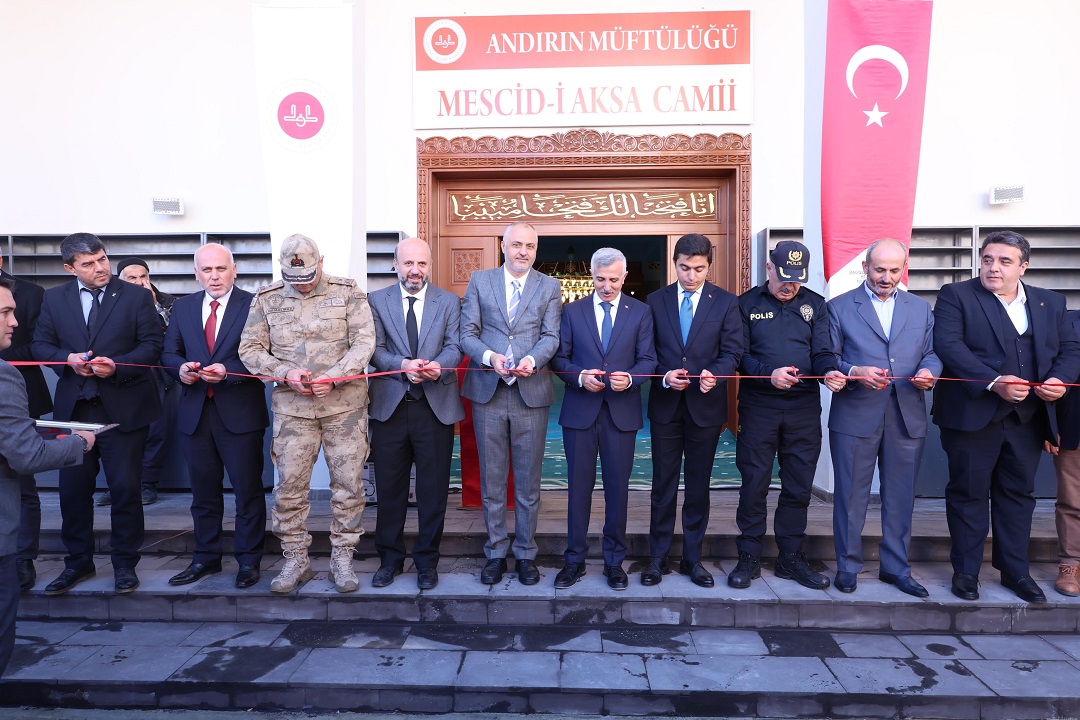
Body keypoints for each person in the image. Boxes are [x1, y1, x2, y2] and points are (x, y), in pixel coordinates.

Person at [933, 230, 1080, 603]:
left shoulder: (1051, 302)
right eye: (987, 259)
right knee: (967, 494)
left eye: (1003, 261)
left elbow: (1070, 348)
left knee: (1019, 495)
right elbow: (949, 346)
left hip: (1027, 419)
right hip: (971, 416)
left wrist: (1060, 380)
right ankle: (966, 572)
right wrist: (994, 382)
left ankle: (1015, 571)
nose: (992, 267)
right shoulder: (957, 295)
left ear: (1023, 267)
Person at [239, 234, 375, 594]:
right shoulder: (267, 298)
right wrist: (285, 373)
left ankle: (343, 556)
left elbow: (365, 341)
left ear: (321, 262)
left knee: (348, 486)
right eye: (293, 280)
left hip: (344, 408)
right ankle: (295, 558)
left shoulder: (347, 292)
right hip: (293, 411)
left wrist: (336, 376)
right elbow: (250, 348)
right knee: (289, 488)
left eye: (308, 277)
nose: (301, 285)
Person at [33, 232, 163, 596]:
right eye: (88, 264)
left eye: (102, 259)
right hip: (74, 412)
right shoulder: (54, 298)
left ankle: (125, 565)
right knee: (73, 493)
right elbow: (41, 345)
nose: (100, 268)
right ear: (69, 268)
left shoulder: (135, 296)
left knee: (124, 490)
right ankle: (77, 563)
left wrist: (118, 367)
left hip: (124, 410)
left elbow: (152, 347)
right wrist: (67, 360)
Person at [824, 238, 940, 598]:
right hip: (856, 413)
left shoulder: (921, 309)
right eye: (880, 269)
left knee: (900, 496)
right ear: (865, 267)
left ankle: (896, 568)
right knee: (850, 496)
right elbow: (827, 356)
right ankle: (847, 565)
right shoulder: (840, 307)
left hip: (907, 413)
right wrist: (853, 369)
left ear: (902, 270)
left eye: (894, 270)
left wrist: (928, 371)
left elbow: (933, 353)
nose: (887, 277)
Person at [731, 241, 842, 591]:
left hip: (803, 410)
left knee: (797, 487)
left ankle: (790, 557)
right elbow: (738, 357)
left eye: (796, 279)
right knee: (754, 484)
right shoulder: (746, 304)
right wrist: (769, 374)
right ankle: (748, 555)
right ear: (768, 268)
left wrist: (829, 372)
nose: (788, 285)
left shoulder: (815, 305)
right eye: (783, 276)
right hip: (758, 408)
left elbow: (823, 351)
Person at [0, 277, 95, 676]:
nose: (14, 322)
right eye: (4, 312)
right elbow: (26, 454)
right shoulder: (3, 375)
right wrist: (78, 443)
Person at [161, 243, 269, 589]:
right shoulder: (184, 307)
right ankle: (205, 559)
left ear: (234, 270)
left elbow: (267, 354)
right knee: (203, 494)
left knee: (247, 492)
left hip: (239, 412)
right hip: (196, 412)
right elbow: (168, 352)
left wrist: (230, 371)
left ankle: (249, 562)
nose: (214, 276)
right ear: (196, 273)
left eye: (221, 269)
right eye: (207, 270)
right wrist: (181, 369)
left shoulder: (254, 304)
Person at [460, 221, 561, 586]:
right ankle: (495, 552)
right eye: (516, 244)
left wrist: (531, 360)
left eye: (530, 246)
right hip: (488, 390)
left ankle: (525, 554)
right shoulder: (479, 280)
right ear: (503, 246)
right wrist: (489, 356)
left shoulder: (549, 286)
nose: (523, 251)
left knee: (528, 482)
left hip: (529, 394)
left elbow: (551, 335)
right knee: (491, 480)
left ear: (536, 250)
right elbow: (466, 333)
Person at [550, 248, 656, 591]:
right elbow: (559, 359)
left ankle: (614, 562)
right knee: (577, 491)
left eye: (613, 279)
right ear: (591, 276)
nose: (607, 286)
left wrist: (633, 378)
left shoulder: (640, 312)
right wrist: (579, 376)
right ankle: (574, 560)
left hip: (621, 414)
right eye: (600, 279)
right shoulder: (572, 311)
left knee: (617, 491)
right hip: (580, 412)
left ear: (624, 277)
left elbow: (648, 360)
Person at [643, 233, 742, 588]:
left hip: (706, 407)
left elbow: (733, 351)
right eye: (684, 267)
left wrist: (715, 374)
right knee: (662, 485)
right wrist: (664, 376)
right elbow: (647, 354)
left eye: (699, 268)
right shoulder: (655, 301)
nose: (691, 275)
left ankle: (693, 559)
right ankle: (657, 558)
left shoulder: (726, 303)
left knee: (699, 487)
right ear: (675, 264)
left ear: (708, 266)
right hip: (666, 405)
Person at [368, 237, 464, 590]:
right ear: (395, 264)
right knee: (389, 490)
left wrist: (439, 366)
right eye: (408, 263)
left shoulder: (450, 301)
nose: (415, 270)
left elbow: (456, 345)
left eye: (422, 264)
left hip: (434, 407)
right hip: (390, 407)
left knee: (433, 491)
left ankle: (427, 562)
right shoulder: (376, 300)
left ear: (430, 265)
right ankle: (390, 560)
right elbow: (374, 349)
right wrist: (402, 365)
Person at [95, 257, 177, 507]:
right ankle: (118, 485)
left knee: (155, 429)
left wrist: (152, 307)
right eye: (132, 278)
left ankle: (147, 483)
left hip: (157, 371)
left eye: (143, 276)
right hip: (119, 371)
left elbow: (173, 334)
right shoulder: (111, 300)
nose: (140, 282)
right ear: (120, 280)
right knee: (117, 430)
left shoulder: (167, 301)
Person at [0, 257, 52, 593]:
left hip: (19, 392)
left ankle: (23, 558)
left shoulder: (31, 293)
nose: (13, 321)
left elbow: (41, 342)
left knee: (23, 485)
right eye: (6, 314)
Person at [1046, 309, 1080, 597]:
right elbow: (1051, 373)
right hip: (1073, 428)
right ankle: (1070, 564)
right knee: (1071, 501)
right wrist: (1050, 425)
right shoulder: (1067, 321)